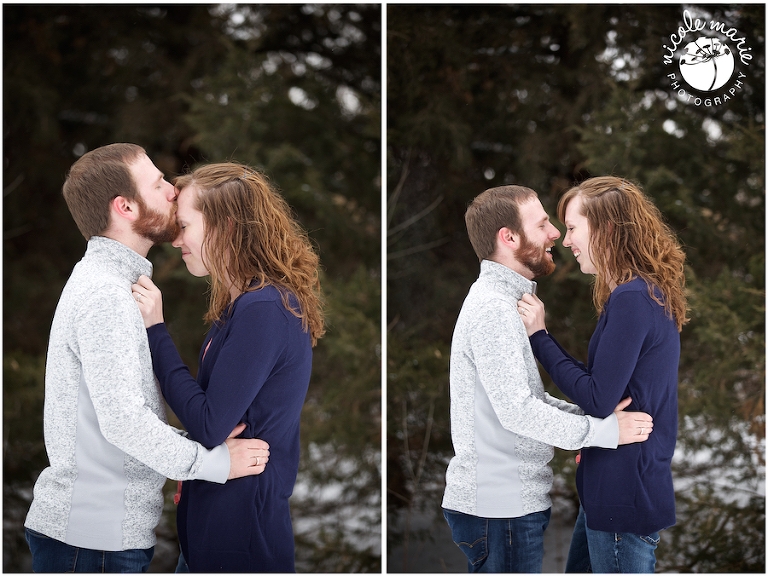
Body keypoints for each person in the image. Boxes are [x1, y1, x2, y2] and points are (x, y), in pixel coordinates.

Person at [24, 144, 271, 573]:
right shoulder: (105, 295)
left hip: (96, 539)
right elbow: (123, 421)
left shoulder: (114, 287)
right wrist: (212, 461)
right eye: (158, 184)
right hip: (90, 542)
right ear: (125, 207)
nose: (173, 190)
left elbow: (122, 415)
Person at [442, 185, 654, 574]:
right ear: (508, 237)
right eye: (542, 224)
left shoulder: (506, 303)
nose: (556, 233)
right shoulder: (492, 308)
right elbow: (519, 413)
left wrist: (596, 419)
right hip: (499, 507)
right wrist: (602, 431)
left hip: (508, 505)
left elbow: (529, 401)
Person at [131, 162, 325, 572]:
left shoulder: (266, 308)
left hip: (241, 543)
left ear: (227, 225)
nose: (177, 240)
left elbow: (210, 424)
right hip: (213, 536)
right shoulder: (244, 306)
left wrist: (155, 330)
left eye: (184, 226)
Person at [517, 176, 688, 573]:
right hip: (611, 489)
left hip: (623, 495)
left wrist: (539, 336)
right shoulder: (638, 293)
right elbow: (604, 391)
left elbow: (597, 398)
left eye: (574, 228)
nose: (566, 239)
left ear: (607, 228)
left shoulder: (633, 298)